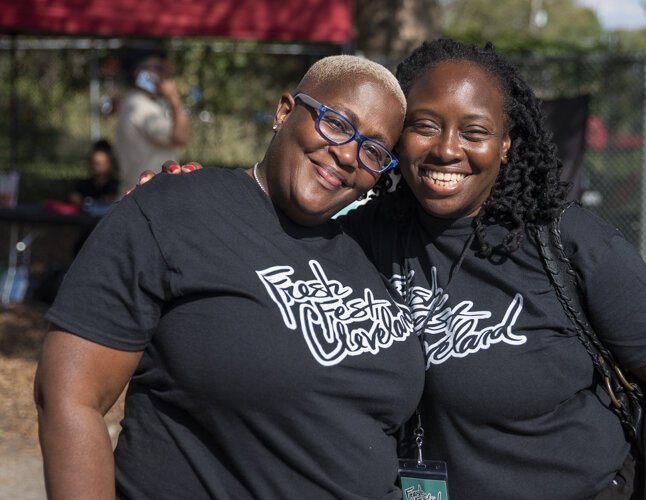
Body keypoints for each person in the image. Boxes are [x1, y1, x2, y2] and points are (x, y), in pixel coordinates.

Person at [135, 39, 646, 499]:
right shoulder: (356, 235)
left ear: (507, 144)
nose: (446, 150)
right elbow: (270, 210)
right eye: (426, 125)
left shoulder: (565, 244)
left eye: (476, 131)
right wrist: (193, 195)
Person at [33, 55, 424, 499]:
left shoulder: (370, 250)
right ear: (284, 111)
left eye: (374, 151)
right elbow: (70, 397)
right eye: (336, 123)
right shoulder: (174, 211)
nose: (349, 154)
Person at [114, 47, 190, 196]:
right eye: (157, 68)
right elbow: (181, 137)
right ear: (138, 73)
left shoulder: (133, 102)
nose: (163, 74)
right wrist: (174, 98)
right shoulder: (141, 106)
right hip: (147, 196)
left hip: (141, 194)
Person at [68, 139, 119, 215]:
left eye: (100, 164)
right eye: (93, 163)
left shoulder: (116, 187)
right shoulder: (82, 185)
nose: (96, 167)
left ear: (109, 164)